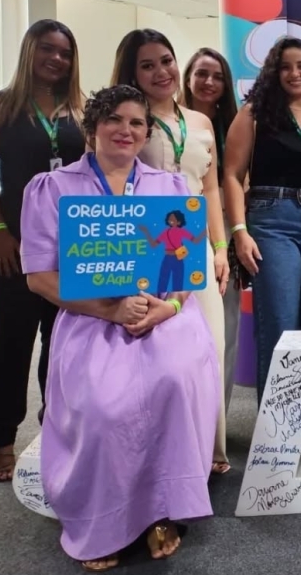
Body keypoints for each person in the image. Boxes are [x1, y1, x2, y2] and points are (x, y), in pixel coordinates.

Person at [21, 85, 218, 571]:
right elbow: (40, 277)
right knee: (106, 406)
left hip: (162, 313)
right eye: (114, 121)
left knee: (174, 379)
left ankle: (161, 511)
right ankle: (102, 521)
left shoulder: (170, 188)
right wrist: (109, 312)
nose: (125, 131)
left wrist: (165, 309)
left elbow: (187, 274)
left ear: (146, 131)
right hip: (93, 316)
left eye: (136, 123)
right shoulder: (53, 188)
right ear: (92, 128)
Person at [0, 19, 86, 482]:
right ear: (28, 51)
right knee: (12, 339)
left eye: (65, 52)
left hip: (69, 244)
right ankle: (0, 439)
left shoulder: (80, 110)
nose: (56, 59)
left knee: (63, 342)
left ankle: (54, 428)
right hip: (11, 241)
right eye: (47, 49)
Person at [113, 29, 230, 473]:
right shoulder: (128, 123)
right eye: (147, 65)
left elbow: (212, 188)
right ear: (132, 72)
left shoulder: (199, 123)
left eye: (165, 60)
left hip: (196, 249)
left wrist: (220, 247)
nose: (161, 72)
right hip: (148, 248)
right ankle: (160, 459)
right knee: (160, 353)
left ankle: (208, 451)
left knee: (209, 348)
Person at [222, 37, 301, 400]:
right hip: (272, 219)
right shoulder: (254, 115)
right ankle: (275, 431)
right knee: (279, 324)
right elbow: (231, 175)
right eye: (285, 67)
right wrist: (238, 231)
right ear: (274, 73)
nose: (294, 73)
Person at [182, 46, 244, 428]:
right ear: (187, 77)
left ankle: (214, 424)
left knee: (225, 324)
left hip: (224, 229)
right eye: (202, 73)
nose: (209, 82)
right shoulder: (165, 122)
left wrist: (234, 233)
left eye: (218, 76)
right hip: (175, 229)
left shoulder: (234, 124)